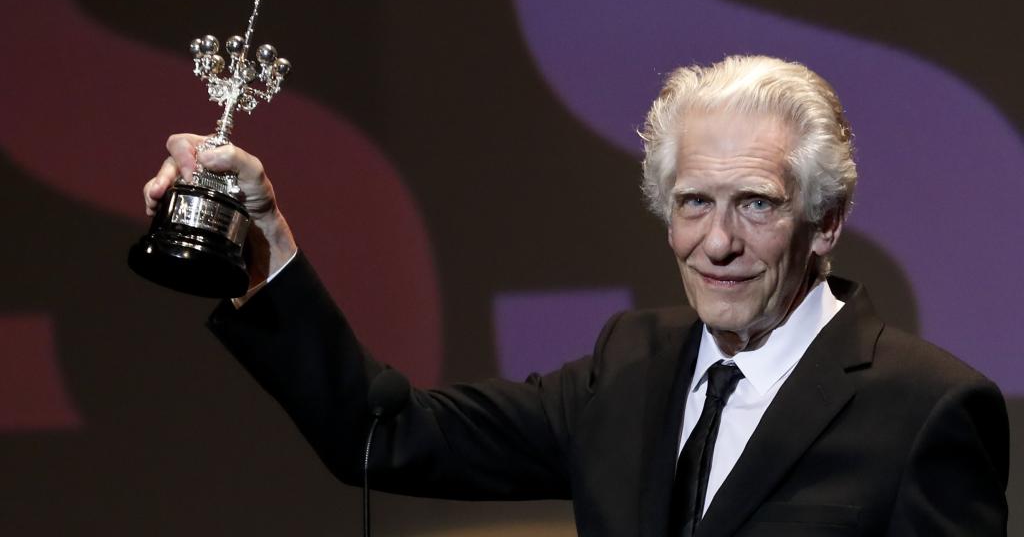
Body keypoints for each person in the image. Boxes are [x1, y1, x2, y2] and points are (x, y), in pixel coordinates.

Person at [144, 55, 1008, 536]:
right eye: (693, 203)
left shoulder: (925, 410)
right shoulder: (627, 368)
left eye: (757, 205)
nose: (718, 242)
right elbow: (385, 438)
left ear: (825, 223)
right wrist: (265, 251)